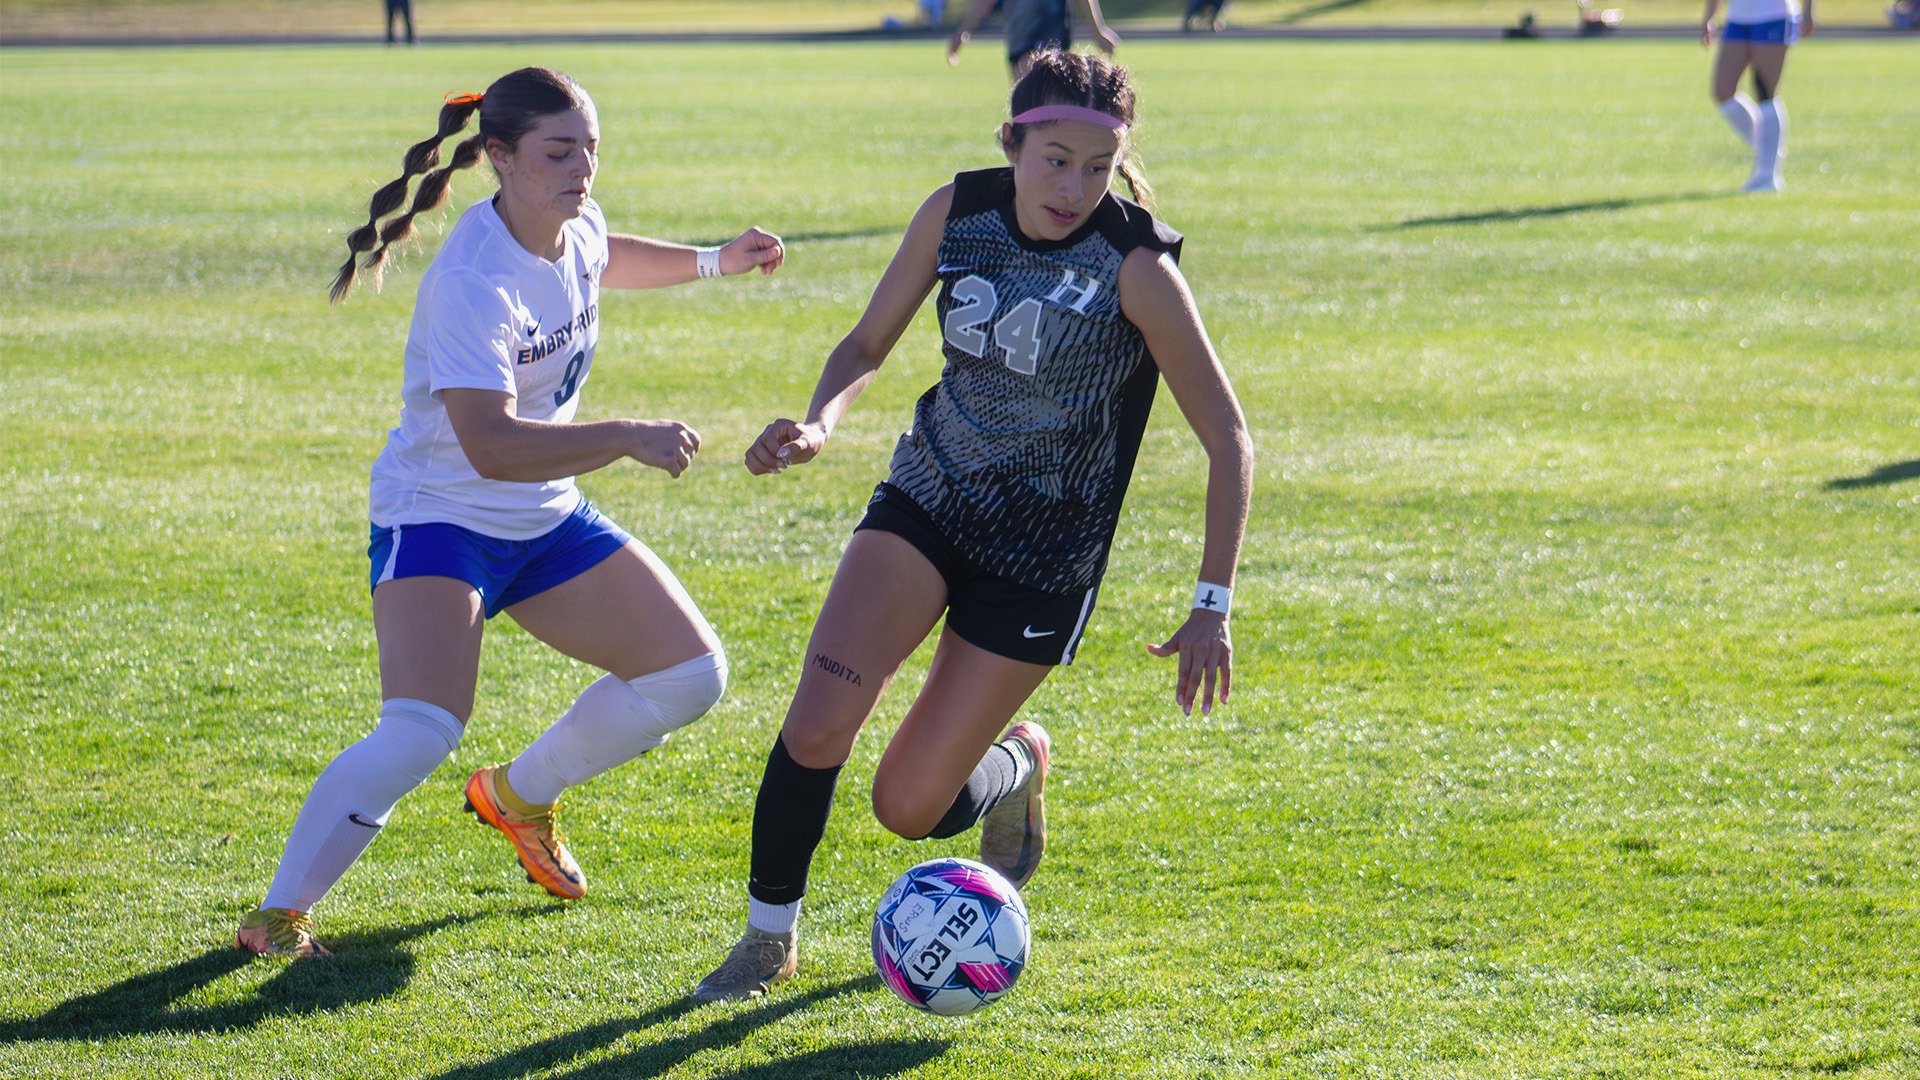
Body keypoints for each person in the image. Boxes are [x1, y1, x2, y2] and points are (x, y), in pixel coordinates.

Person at [692, 50, 1252, 1002]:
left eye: (1096, 166)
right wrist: (821, 423)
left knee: (907, 807)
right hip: (929, 500)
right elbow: (868, 343)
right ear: (1012, 143)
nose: (1073, 186)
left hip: (1040, 560)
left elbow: (1230, 439)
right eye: (1054, 160)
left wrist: (1212, 603)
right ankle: (764, 939)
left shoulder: (1138, 266)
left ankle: (1017, 760)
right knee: (819, 723)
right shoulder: (957, 212)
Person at [234, 67, 786, 957]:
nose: (583, 169)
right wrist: (623, 436)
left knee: (691, 675)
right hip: (441, 517)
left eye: (592, 149)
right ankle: (279, 913)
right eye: (558, 152)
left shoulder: (576, 224)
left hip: (542, 518)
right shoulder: (471, 282)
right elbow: (490, 445)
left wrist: (718, 258)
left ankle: (519, 796)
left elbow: (609, 254)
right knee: (420, 729)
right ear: (499, 156)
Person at [1701, 0, 1814, 193]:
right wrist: (1708, 17)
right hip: (1737, 18)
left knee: (1765, 92)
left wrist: (1809, 12)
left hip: (1773, 15)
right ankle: (1768, 148)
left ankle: (1767, 177)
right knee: (1722, 91)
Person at [947, 0, 1119, 79]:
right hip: (1020, 36)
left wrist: (1097, 31)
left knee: (1039, 106)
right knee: (1026, 110)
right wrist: (961, 32)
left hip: (1050, 34)